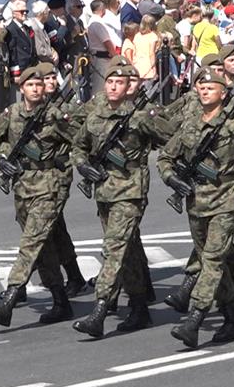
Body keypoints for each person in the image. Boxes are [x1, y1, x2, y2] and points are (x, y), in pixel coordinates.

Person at [158, 72, 234, 347]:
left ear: (223, 93)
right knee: (215, 263)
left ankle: (195, 318)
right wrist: (172, 178)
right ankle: (231, 319)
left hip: (225, 201)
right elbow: (166, 157)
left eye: (211, 88)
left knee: (212, 260)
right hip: (196, 202)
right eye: (201, 87)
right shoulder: (190, 125)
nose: (204, 91)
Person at [72, 60, 168, 337]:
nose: (113, 86)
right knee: (129, 251)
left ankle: (100, 310)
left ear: (129, 88)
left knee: (113, 248)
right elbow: (79, 146)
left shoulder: (140, 117)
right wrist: (83, 164)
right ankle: (140, 308)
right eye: (110, 82)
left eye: (120, 83)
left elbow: (174, 138)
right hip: (104, 190)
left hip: (130, 191)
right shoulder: (96, 116)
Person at [0, 66, 75, 327]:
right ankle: (61, 302)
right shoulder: (12, 114)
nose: (35, 89)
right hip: (22, 187)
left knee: (31, 243)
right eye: (30, 85)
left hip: (48, 186)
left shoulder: (54, 115)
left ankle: (9, 300)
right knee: (43, 248)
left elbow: (81, 139)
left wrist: (62, 158)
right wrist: (1, 159)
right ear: (21, 88)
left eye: (39, 85)